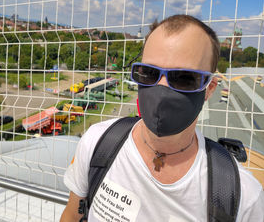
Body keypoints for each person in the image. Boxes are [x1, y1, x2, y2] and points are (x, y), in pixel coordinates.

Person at [60, 15, 264, 221]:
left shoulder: (243, 197)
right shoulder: (97, 142)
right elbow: (71, 215)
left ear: (209, 89)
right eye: (148, 73)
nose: (162, 87)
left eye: (184, 78)